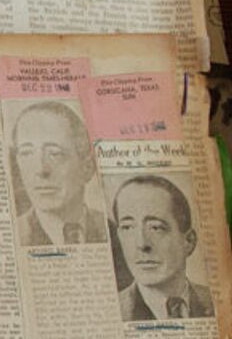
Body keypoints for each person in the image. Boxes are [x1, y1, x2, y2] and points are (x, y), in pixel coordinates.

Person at [114, 175, 214, 320]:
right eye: (127, 227)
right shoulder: (112, 310)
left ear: (189, 241)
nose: (141, 244)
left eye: (156, 228)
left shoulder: (217, 300)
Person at [11, 101, 107, 246]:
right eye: (26, 153)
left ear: (87, 167)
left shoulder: (113, 230)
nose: (40, 170)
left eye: (55, 154)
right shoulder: (13, 234)